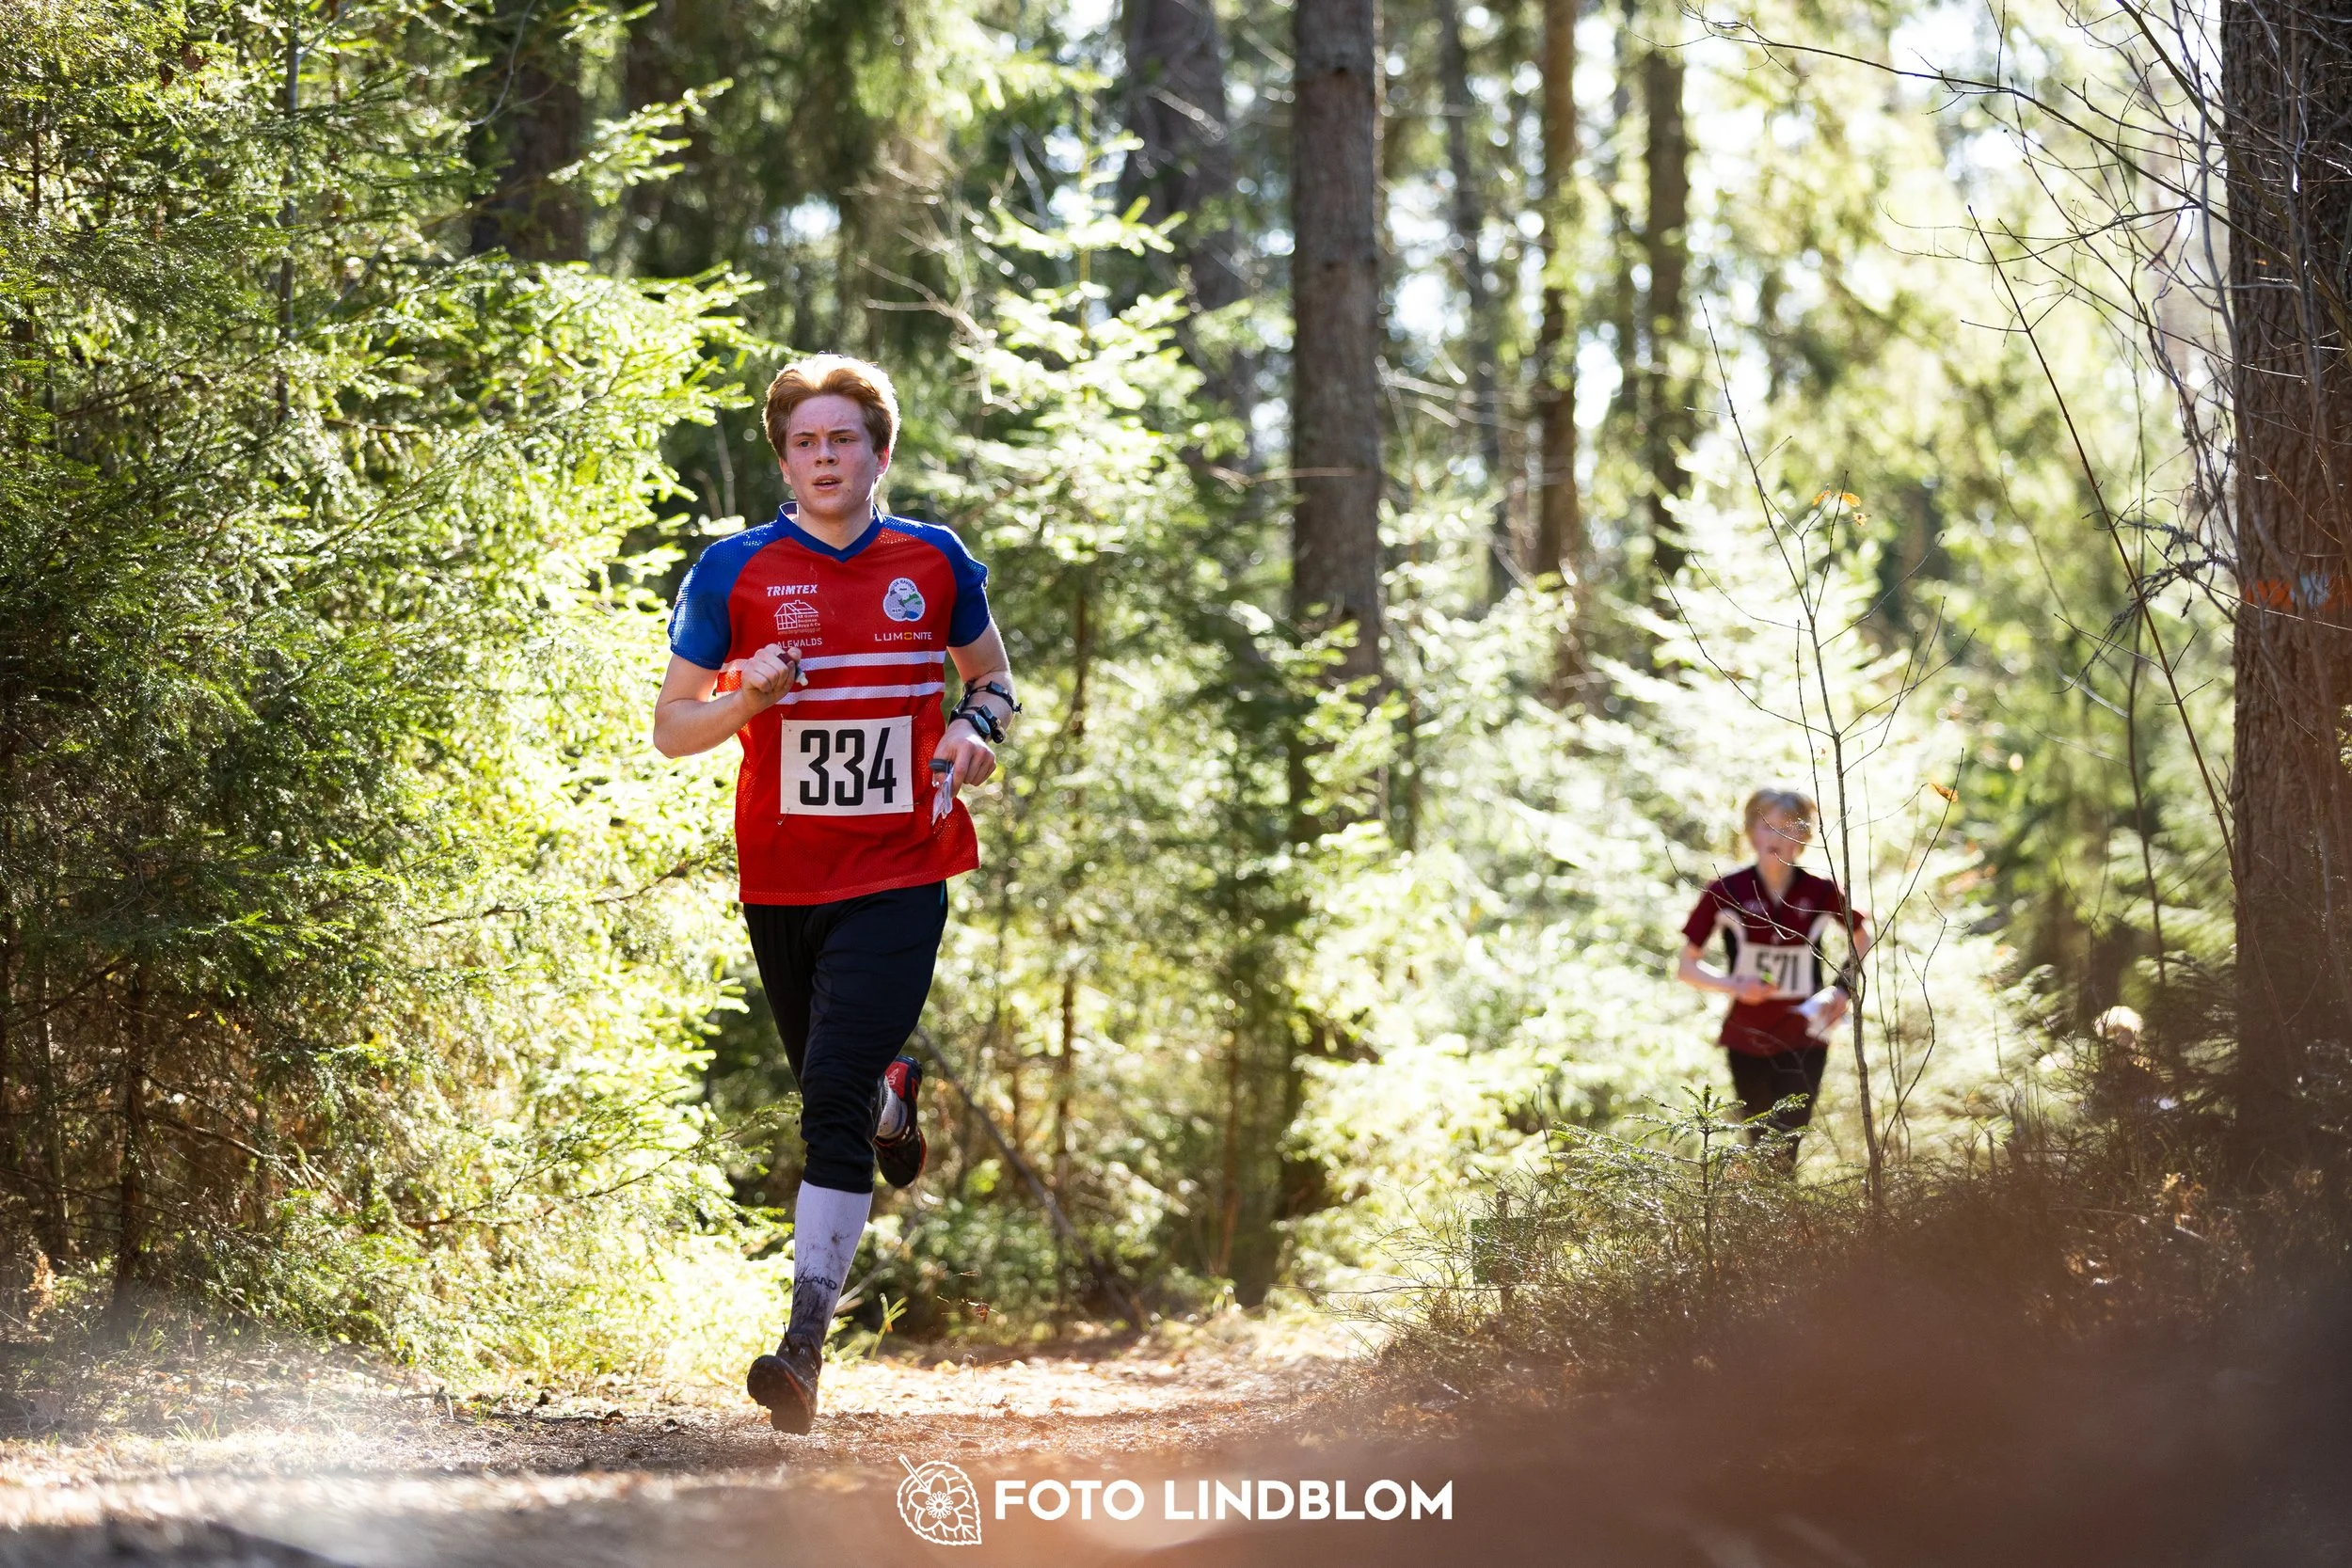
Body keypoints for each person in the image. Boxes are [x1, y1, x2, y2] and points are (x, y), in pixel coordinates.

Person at [652, 354, 1017, 1433]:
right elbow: (672, 730)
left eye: (842, 439)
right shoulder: (734, 571)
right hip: (782, 874)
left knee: (824, 1099)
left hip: (904, 864)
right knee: (840, 1082)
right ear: (784, 458)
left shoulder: (933, 561)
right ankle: (893, 1085)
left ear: (879, 451)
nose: (824, 457)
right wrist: (746, 693)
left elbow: (991, 677)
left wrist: (974, 729)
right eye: (805, 441)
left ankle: (803, 1347)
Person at [1676, 788, 1870, 1170]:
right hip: (1747, 1035)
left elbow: (1864, 933)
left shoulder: (1820, 890)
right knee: (1760, 1141)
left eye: (1787, 829)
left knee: (1788, 1141)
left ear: (1804, 838)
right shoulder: (1726, 890)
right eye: (1765, 827)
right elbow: (1686, 967)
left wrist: (1842, 989)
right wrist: (1734, 986)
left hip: (1806, 1032)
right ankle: (1761, 1224)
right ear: (1750, 833)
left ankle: (1781, 1222)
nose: (1776, 838)